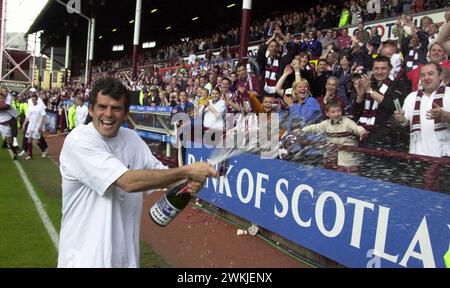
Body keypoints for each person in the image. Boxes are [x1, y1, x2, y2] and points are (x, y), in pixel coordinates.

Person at [57, 78, 216, 268]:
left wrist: (193, 180)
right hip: (84, 260)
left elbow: (163, 176)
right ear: (91, 110)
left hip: (126, 261)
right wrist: (186, 170)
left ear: (126, 114)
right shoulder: (79, 140)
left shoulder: (132, 139)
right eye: (102, 107)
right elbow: (127, 182)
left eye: (116, 108)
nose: (108, 114)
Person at [394, 63, 450, 157]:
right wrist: (400, 120)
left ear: (440, 76)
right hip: (417, 156)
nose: (426, 78)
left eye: (430, 74)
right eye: (423, 75)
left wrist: (444, 115)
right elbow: (403, 123)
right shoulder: (411, 97)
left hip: (444, 156)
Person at [300, 101, 368, 174]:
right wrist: (301, 131)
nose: (336, 114)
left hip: (347, 159)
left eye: (338, 111)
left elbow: (356, 128)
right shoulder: (326, 123)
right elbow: (314, 127)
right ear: (327, 113)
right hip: (331, 157)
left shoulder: (347, 122)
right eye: (333, 112)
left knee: (349, 180)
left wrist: (362, 132)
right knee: (331, 178)